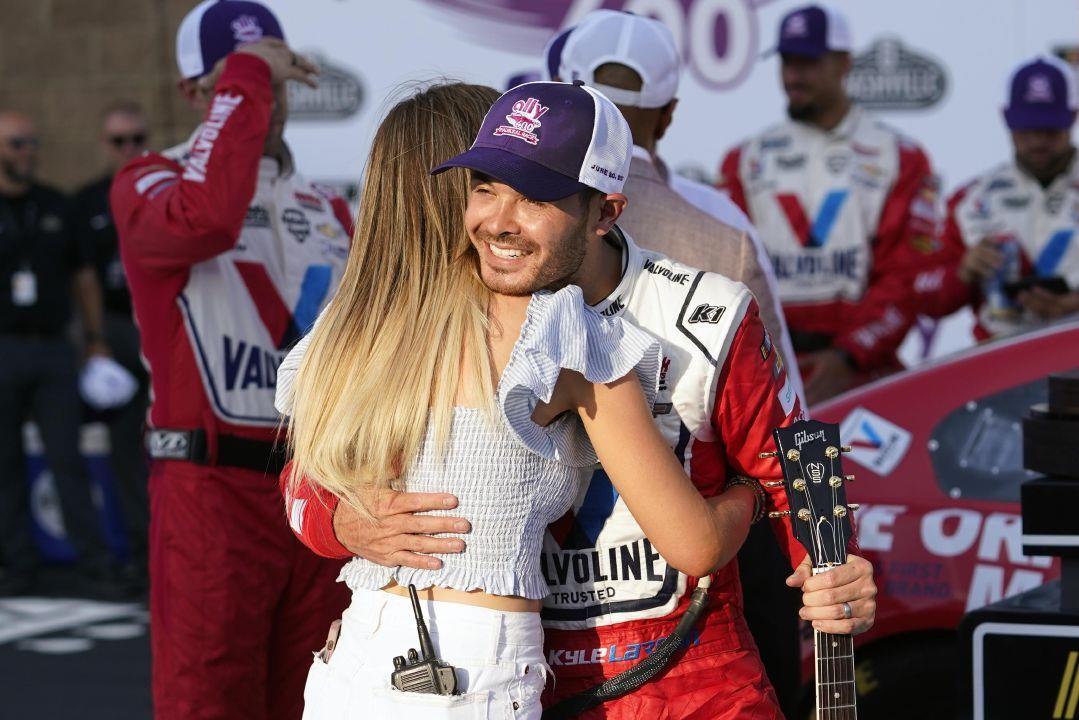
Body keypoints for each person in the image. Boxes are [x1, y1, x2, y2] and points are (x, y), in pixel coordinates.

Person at [283, 81, 878, 719]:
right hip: (493, 674)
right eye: (485, 187)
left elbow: (796, 472)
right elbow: (307, 473)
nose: (500, 221)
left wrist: (837, 570)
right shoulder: (418, 319)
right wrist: (339, 520)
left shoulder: (703, 315)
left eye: (533, 195)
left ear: (605, 213)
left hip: (678, 685)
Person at [109, 2, 353, 717]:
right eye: (242, 78)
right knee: (209, 703)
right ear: (195, 94)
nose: (264, 92)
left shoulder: (331, 206)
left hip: (317, 486)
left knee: (320, 698)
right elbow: (207, 217)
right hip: (208, 490)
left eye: (274, 73)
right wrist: (247, 73)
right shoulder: (150, 183)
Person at [556, 12, 805, 714]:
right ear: (667, 113)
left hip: (540, 598)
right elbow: (786, 429)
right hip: (702, 585)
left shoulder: (498, 223)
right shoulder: (722, 225)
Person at [719, 3, 949, 405]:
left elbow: (905, 277)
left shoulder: (898, 156)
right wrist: (770, 355)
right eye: (787, 62)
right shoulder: (746, 160)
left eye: (808, 62)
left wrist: (847, 355)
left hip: (862, 368)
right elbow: (731, 272)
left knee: (867, 467)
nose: (793, 75)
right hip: (770, 366)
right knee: (796, 470)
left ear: (845, 64)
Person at [0, 109, 117, 598]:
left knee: (67, 458)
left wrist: (93, 339)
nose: (28, 152)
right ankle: (17, 566)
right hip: (2, 349)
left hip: (51, 350)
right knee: (4, 465)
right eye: (17, 144)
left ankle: (95, 566)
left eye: (32, 143)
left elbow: (84, 278)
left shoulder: (56, 205)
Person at [927, 56, 1079, 337]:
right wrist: (964, 273)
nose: (1038, 141)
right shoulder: (971, 199)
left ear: (1073, 116)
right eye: (1027, 129)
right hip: (1002, 365)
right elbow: (927, 297)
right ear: (1006, 119)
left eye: (1049, 129)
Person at [70, 100, 151, 588]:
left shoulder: (165, 190)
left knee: (168, 448)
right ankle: (139, 557)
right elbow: (83, 279)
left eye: (137, 139)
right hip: (119, 328)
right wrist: (96, 339)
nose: (130, 149)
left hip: (164, 327)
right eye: (120, 141)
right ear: (105, 144)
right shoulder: (88, 201)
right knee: (125, 449)